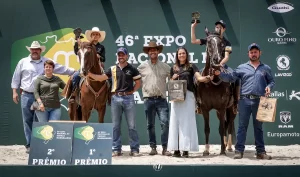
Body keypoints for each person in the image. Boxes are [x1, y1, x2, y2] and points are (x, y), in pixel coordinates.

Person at [11, 41, 75, 153]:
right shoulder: (23, 62)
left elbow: (61, 68)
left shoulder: (46, 62)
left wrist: (74, 72)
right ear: (30, 50)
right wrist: (14, 92)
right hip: (26, 95)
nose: (34, 51)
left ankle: (40, 144)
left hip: (43, 97)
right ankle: (30, 145)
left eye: (37, 49)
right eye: (32, 49)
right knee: (27, 120)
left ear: (40, 50)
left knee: (40, 122)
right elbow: (16, 77)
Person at [214, 43, 275, 160]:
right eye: (251, 52)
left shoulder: (266, 68)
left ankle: (261, 152)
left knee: (258, 127)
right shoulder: (242, 67)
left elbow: (272, 81)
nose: (253, 54)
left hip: (260, 101)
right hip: (245, 100)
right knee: (242, 126)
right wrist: (220, 74)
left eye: (255, 52)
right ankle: (239, 151)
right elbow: (231, 77)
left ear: (260, 53)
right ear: (248, 54)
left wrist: (269, 87)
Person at [87, 47, 141, 157]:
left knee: (132, 126)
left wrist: (132, 92)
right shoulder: (112, 69)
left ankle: (134, 149)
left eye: (123, 55)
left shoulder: (132, 69)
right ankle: (116, 149)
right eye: (119, 55)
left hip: (128, 99)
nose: (121, 56)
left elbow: (138, 83)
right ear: (117, 56)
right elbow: (102, 78)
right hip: (115, 98)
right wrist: (90, 75)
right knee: (115, 126)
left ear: (127, 56)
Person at [168, 47, 213, 158]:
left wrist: (206, 78)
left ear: (186, 55)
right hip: (176, 96)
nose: (181, 55)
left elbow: (198, 78)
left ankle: (186, 149)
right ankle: (176, 150)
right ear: (177, 55)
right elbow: (170, 83)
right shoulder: (173, 68)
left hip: (188, 95)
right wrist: (172, 79)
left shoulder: (191, 66)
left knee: (187, 122)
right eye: (179, 54)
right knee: (175, 122)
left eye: (183, 53)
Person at [191, 19, 240, 114]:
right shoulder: (210, 38)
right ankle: (198, 104)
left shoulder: (227, 43)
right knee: (195, 78)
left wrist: (219, 64)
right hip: (210, 66)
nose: (218, 28)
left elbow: (226, 56)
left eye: (220, 27)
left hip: (222, 65)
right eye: (216, 26)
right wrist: (193, 27)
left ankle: (235, 104)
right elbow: (193, 41)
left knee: (236, 78)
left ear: (224, 29)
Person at [137, 41, 172, 156]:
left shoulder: (166, 66)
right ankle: (153, 147)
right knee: (150, 125)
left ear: (158, 51)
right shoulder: (141, 67)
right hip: (148, 99)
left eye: (154, 49)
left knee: (165, 123)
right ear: (148, 52)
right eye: (150, 50)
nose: (152, 51)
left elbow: (173, 78)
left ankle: (165, 148)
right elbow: (133, 78)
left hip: (161, 99)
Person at [69, 27, 106, 103]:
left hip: (98, 68)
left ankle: (109, 96)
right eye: (93, 34)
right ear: (91, 36)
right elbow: (77, 52)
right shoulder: (86, 45)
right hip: (85, 67)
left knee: (108, 79)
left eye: (97, 34)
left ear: (99, 37)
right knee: (75, 76)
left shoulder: (101, 47)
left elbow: (104, 59)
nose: (95, 36)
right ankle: (73, 94)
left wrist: (99, 56)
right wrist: (77, 41)